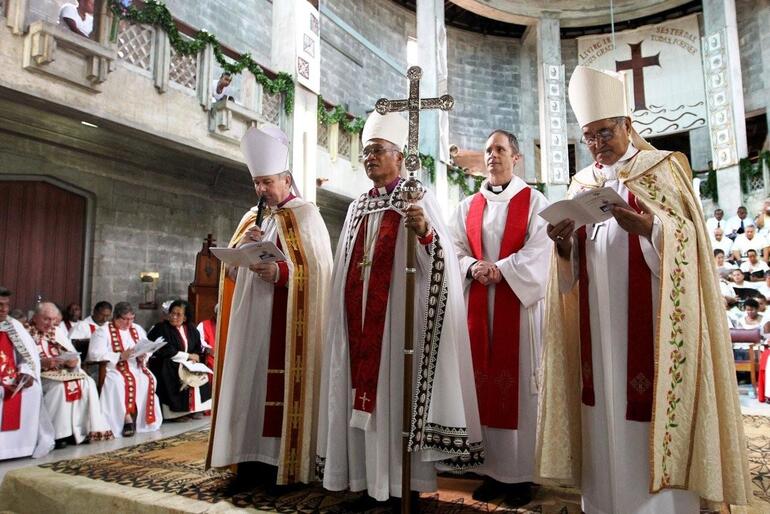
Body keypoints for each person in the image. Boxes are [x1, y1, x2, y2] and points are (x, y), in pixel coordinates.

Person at [538, 65, 751, 513]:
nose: (597, 144)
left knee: (649, 411)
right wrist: (563, 248)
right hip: (598, 334)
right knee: (603, 416)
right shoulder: (582, 185)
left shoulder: (663, 168)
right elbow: (571, 276)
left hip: (655, 331)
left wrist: (652, 229)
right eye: (589, 136)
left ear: (628, 126)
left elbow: (692, 241)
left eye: (604, 133)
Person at [316, 111, 482, 508]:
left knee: (394, 402)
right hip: (356, 329)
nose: (369, 158)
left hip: (396, 332)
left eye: (377, 151)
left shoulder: (419, 199)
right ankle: (363, 481)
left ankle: (398, 488)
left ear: (399, 155)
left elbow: (440, 264)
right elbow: (343, 269)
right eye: (365, 152)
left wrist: (425, 231)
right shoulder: (358, 206)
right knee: (356, 398)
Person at [207, 125, 333, 490]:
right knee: (247, 388)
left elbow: (319, 270)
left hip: (286, 319)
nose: (261, 190)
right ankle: (245, 463)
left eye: (267, 182)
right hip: (249, 323)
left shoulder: (306, 215)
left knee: (275, 391)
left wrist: (280, 272)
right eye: (257, 184)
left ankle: (283, 467)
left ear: (286, 179)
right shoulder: (251, 218)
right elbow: (229, 270)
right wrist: (242, 250)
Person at [449, 129, 550, 506]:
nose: (493, 156)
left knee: (518, 386)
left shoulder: (534, 202)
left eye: (501, 149)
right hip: (478, 305)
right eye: (489, 150)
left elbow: (541, 250)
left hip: (517, 312)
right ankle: (489, 471)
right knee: (481, 385)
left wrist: (502, 270)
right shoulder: (467, 206)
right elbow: (453, 247)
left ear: (516, 158)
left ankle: (521, 476)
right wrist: (473, 266)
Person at [28, 302, 112, 448]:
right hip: (39, 376)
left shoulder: (56, 331)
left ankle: (79, 432)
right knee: (61, 388)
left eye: (53, 320)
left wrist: (73, 361)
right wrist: (42, 363)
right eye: (46, 319)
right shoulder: (25, 332)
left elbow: (72, 353)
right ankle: (58, 434)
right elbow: (22, 359)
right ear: (35, 317)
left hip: (61, 372)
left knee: (87, 383)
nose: (50, 324)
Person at [88, 302, 162, 437]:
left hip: (135, 366)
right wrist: (120, 356)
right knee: (117, 383)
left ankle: (142, 420)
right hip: (112, 368)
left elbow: (146, 346)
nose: (129, 323)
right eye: (125, 319)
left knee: (149, 379)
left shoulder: (137, 329)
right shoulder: (102, 331)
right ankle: (126, 419)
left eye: (132, 318)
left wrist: (144, 356)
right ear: (116, 317)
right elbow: (94, 354)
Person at [0, 287, 54, 460]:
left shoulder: (13, 326)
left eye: (7, 305)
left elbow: (29, 357)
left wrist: (27, 373)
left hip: (11, 377)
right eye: (0, 305)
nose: (4, 310)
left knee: (33, 390)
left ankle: (22, 447)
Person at [147, 300, 211, 420]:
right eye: (172, 313)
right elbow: (165, 349)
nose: (174, 317)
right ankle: (175, 413)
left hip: (187, 362)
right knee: (171, 372)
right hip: (167, 362)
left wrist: (196, 356)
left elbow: (197, 347)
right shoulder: (161, 328)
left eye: (178, 314)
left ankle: (194, 409)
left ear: (185, 317)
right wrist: (187, 356)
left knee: (199, 371)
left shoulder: (191, 329)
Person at [196, 305, 217, 371]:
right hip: (209, 358)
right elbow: (199, 341)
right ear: (215, 313)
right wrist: (208, 349)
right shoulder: (203, 325)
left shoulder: (230, 326)